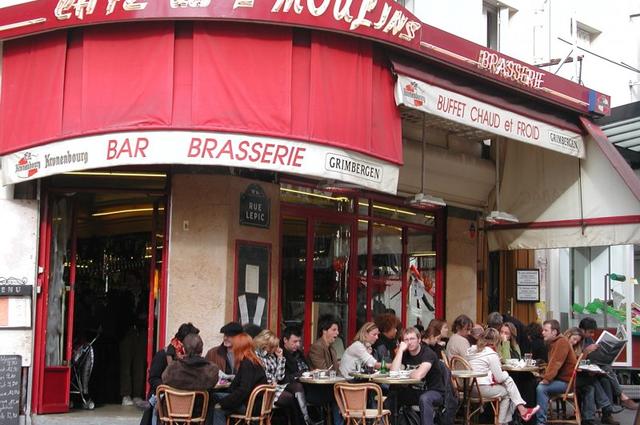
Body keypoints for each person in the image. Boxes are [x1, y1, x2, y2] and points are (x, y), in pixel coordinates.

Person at [466, 328, 539, 424]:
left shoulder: (472, 350)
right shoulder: (491, 354)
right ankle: (503, 421)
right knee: (508, 391)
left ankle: (520, 412)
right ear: (496, 340)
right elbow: (499, 377)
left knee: (508, 384)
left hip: (469, 388)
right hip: (482, 389)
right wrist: (506, 373)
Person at [140, 322, 200, 425]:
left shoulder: (191, 356)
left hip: (186, 398)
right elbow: (153, 378)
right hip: (165, 397)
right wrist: (167, 388)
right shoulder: (163, 355)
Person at [579, 317, 638, 411]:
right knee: (606, 371)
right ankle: (620, 398)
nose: (592, 335)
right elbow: (577, 363)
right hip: (581, 372)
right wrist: (586, 352)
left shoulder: (589, 340)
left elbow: (591, 359)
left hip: (591, 368)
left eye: (593, 332)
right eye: (590, 332)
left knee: (606, 376)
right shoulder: (578, 341)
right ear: (582, 330)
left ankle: (608, 413)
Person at [565, 327, 620, 425]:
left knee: (591, 386)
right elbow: (572, 365)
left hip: (575, 376)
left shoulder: (575, 346)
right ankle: (607, 406)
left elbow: (577, 363)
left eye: (577, 341)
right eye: (574, 339)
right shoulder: (564, 346)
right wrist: (585, 352)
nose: (575, 342)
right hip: (567, 379)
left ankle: (588, 419)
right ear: (568, 335)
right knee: (592, 381)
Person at [391, 327, 444, 425]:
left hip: (433, 391)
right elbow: (393, 373)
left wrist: (408, 373)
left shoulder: (428, 353)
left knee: (424, 399)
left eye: (412, 339)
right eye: (406, 340)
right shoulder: (405, 354)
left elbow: (419, 375)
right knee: (392, 395)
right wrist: (400, 351)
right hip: (414, 392)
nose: (409, 342)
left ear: (419, 340)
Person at [213, 333, 268, 425]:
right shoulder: (253, 361)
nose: (232, 349)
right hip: (255, 404)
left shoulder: (247, 364)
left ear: (239, 347)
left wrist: (223, 403)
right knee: (214, 396)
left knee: (217, 407)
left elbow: (243, 390)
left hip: (249, 405)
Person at [254, 330, 306, 425]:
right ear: (265, 345)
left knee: (294, 394)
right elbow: (262, 375)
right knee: (290, 398)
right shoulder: (256, 355)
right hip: (264, 388)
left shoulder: (271, 356)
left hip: (275, 386)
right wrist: (272, 381)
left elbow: (279, 376)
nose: (276, 348)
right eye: (273, 346)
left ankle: (302, 421)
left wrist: (280, 358)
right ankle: (301, 422)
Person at [535, 319, 577, 425]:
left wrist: (546, 379)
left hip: (566, 383)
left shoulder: (561, 342)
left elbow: (556, 363)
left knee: (541, 388)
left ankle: (540, 422)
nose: (542, 332)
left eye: (545, 330)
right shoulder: (555, 342)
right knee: (533, 383)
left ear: (554, 332)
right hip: (562, 380)